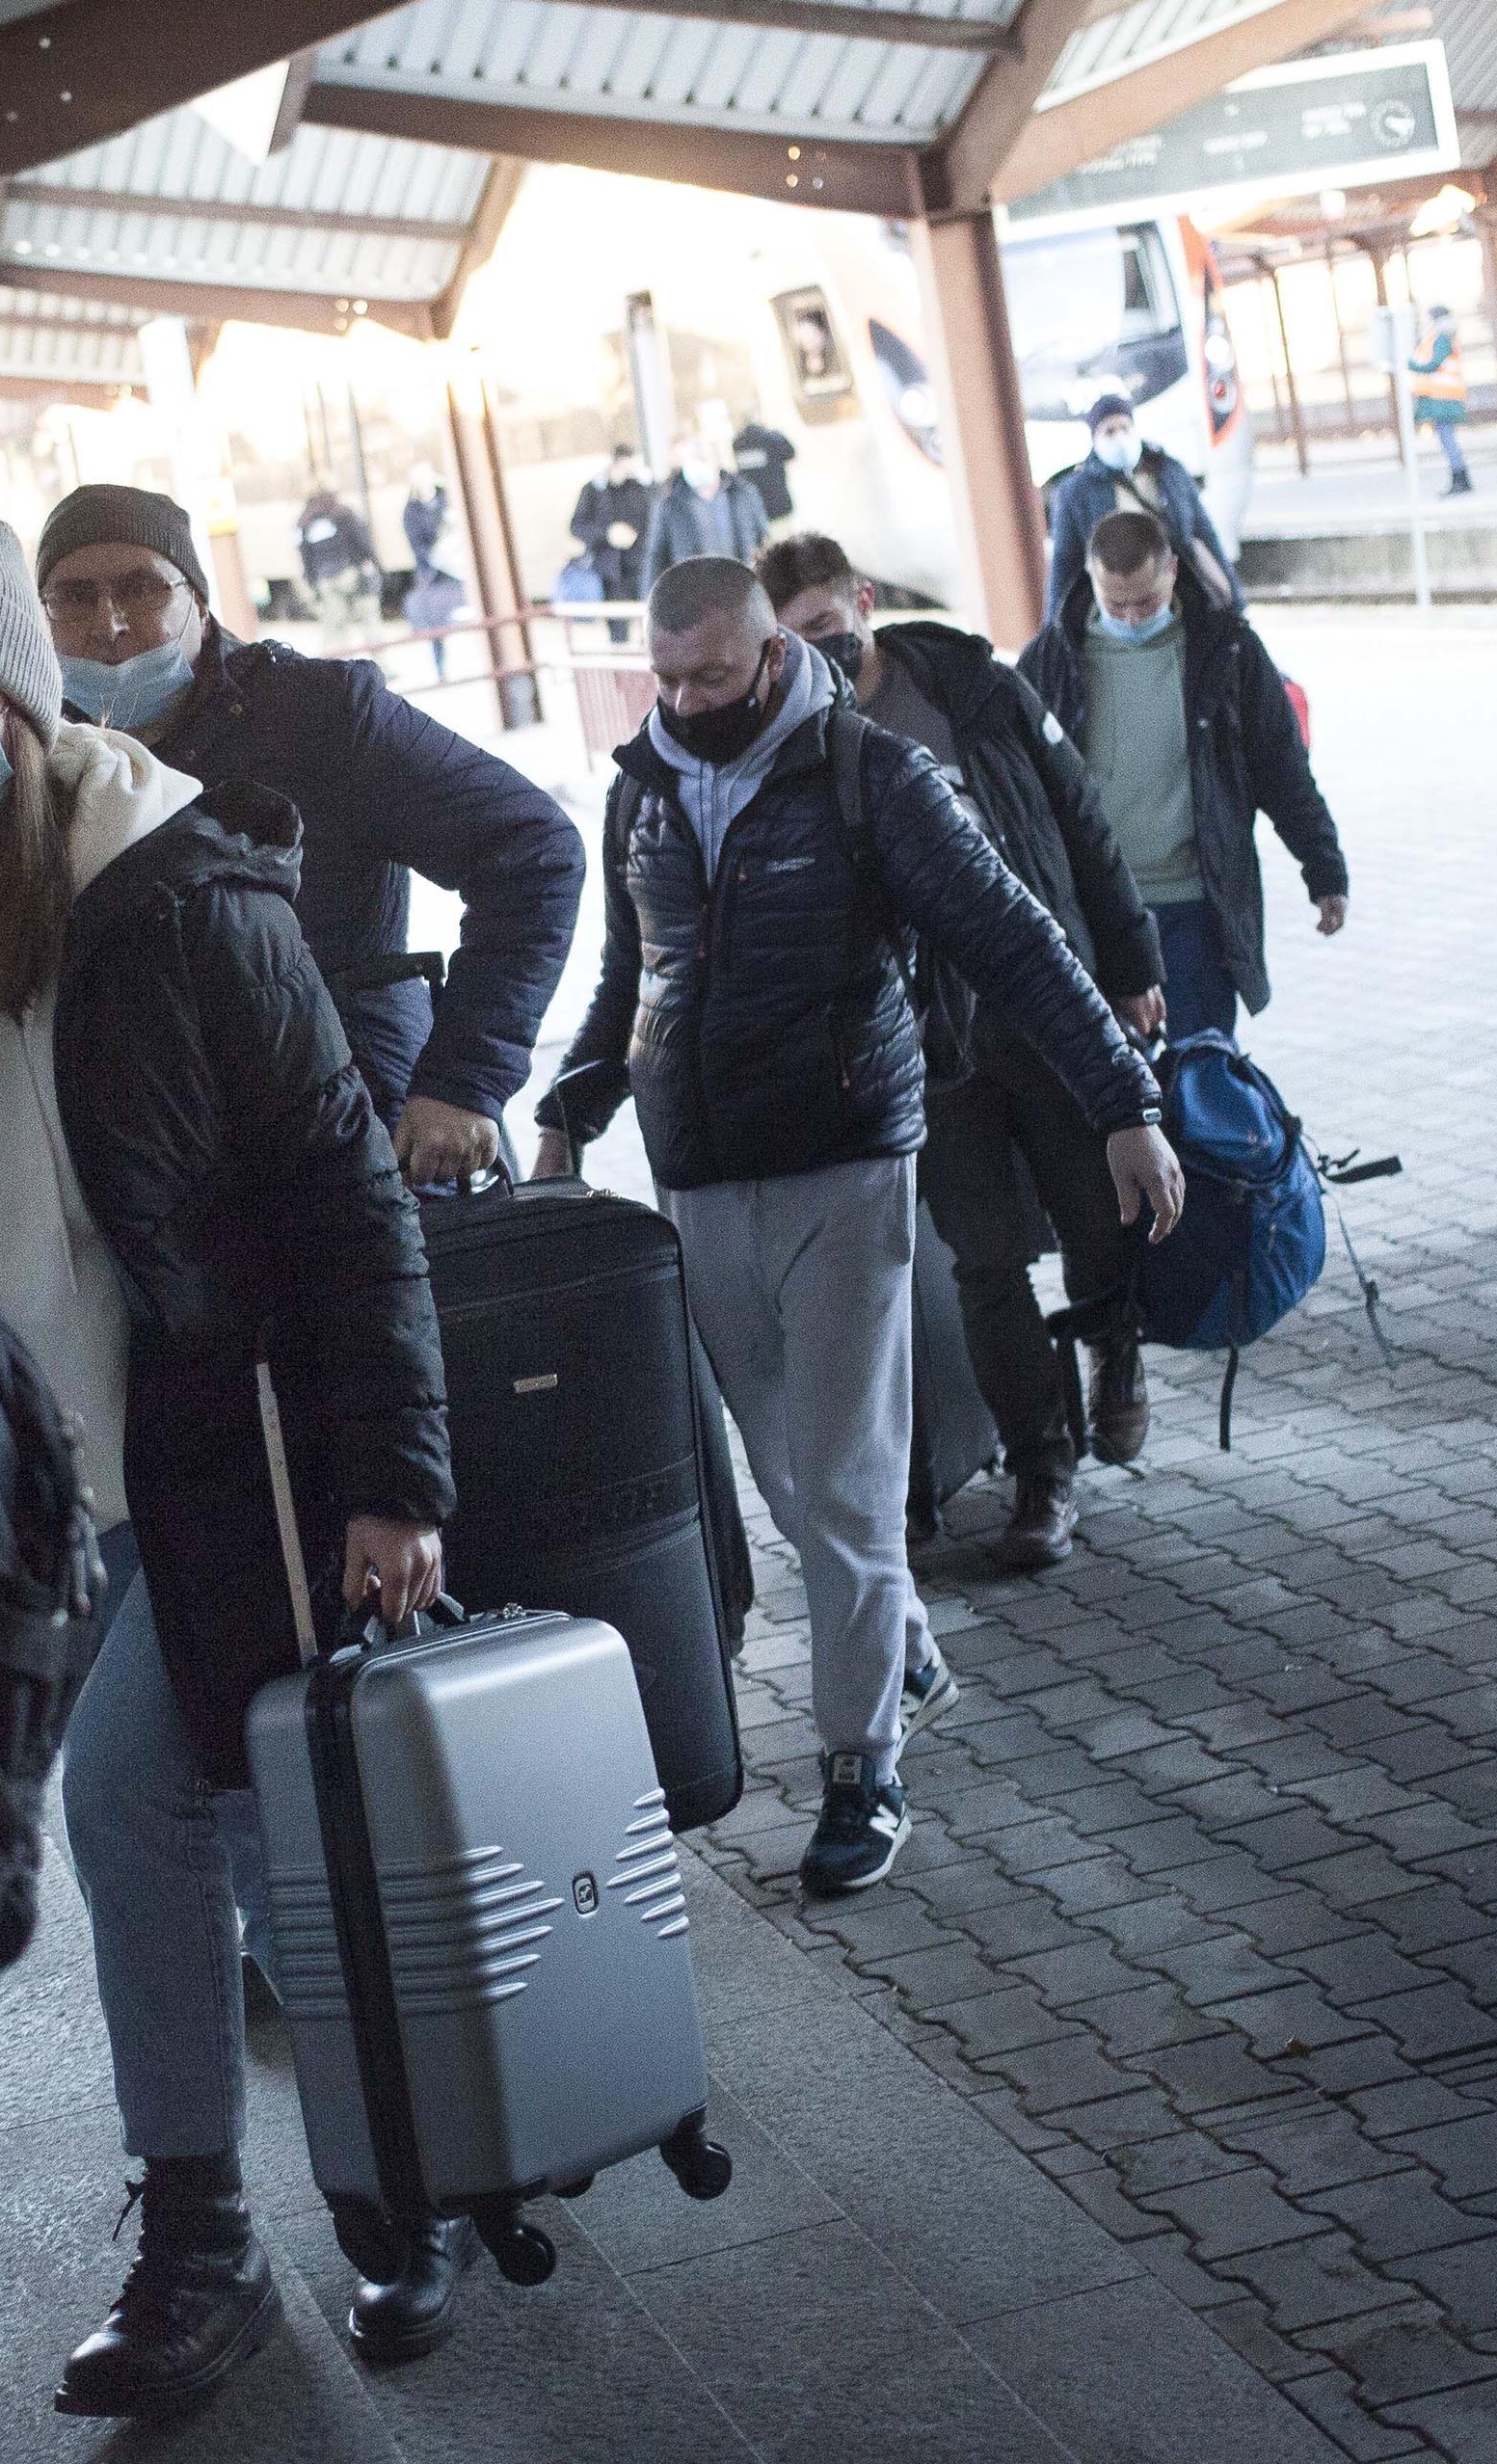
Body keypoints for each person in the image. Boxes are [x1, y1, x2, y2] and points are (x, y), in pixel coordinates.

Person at [0, 522, 459, 2405]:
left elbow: (345, 1206)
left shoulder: (180, 902)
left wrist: (395, 1483)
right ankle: (388, 2190)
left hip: (219, 1463)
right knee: (268, 1839)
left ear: (22, 698)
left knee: (133, 1809)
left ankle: (200, 2236)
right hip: (38, 1497)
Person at [536, 558, 1178, 1897]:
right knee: (781, 1475)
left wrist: (1123, 1101)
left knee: (838, 1479)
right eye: (664, 678)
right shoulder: (639, 787)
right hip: (698, 1170)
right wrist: (567, 1110)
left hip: (845, 1161)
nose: (684, 699)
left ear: (769, 657)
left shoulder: (870, 776)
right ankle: (898, 1645)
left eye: (710, 675)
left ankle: (860, 1769)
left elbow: (1011, 939)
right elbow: (631, 971)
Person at [762, 533, 1166, 1570]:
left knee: (1098, 1217)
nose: (819, 654)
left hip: (1047, 998)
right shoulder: (799, 735)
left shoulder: (971, 686)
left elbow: (1080, 820)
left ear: (860, 599)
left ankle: (1115, 1354)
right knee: (986, 1260)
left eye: (826, 629)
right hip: (931, 1042)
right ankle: (1043, 1472)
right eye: (794, 642)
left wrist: (1126, 962)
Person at [33, 484, 580, 1190]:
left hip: (369, 1129)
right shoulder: (36, 761)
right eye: (73, 597)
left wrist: (463, 1079)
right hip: (175, 1165)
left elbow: (530, 849)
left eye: (139, 589)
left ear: (197, 599)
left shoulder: (320, 716)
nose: (108, 625)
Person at [1018, 509, 1350, 1051]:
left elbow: (1282, 769)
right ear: (1090, 576)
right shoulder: (1049, 663)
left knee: (1202, 1075)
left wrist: (1324, 867)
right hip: (1093, 911)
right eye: (1115, 604)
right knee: (1114, 1086)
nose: (1129, 618)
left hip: (1195, 905)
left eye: (1144, 603)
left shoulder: (1228, 652)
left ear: (1172, 569)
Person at [1043, 393, 1238, 624]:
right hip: (1120, 598)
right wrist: (1053, 624)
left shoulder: (1169, 471)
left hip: (1183, 590)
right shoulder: (1075, 492)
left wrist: (1235, 598)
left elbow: (1204, 533)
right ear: (1095, 439)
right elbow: (1065, 562)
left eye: (1125, 427)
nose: (1119, 437)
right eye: (1109, 431)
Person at [640, 445, 767, 591]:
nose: (697, 466)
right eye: (692, 460)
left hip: (740, 587)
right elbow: (655, 555)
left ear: (716, 462)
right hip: (693, 593)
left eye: (702, 459)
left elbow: (762, 539)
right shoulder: (670, 503)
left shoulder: (742, 494)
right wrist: (648, 595)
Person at [568, 443, 652, 632]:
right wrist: (607, 534)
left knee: (651, 627)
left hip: (642, 567)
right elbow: (577, 527)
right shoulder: (594, 490)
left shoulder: (642, 488)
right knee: (619, 629)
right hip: (612, 573)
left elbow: (654, 523)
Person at [398, 461, 461, 679]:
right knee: (436, 624)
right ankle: (441, 668)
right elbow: (416, 544)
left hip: (457, 569)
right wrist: (435, 555)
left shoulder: (450, 500)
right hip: (432, 573)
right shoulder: (411, 511)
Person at [295, 483, 380, 636]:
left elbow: (305, 557)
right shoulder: (343, 513)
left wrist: (312, 583)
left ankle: (338, 659)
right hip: (350, 574)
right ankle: (378, 658)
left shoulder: (304, 522)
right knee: (369, 619)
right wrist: (376, 566)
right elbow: (361, 543)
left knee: (335, 628)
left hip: (325, 582)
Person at [1410, 305, 1475, 497]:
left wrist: (1408, 363)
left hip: (1443, 398)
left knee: (1448, 439)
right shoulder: (1439, 339)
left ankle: (1460, 477)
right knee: (1447, 438)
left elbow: (1431, 365)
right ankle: (1460, 477)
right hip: (1441, 397)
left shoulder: (1441, 340)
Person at [733, 413, 799, 528]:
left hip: (755, 507)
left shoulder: (738, 444)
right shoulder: (772, 438)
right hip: (779, 503)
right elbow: (791, 454)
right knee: (783, 539)